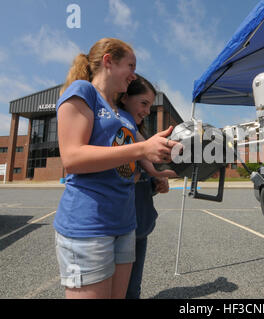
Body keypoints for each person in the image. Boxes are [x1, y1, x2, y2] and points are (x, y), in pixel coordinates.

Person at [54, 38, 177, 299]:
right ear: (108, 61)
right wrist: (142, 150)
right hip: (90, 225)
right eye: (130, 65)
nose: (134, 75)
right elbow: (72, 157)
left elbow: (138, 150)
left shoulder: (120, 112)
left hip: (124, 223)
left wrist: (155, 171)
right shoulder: (83, 91)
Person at [115, 74, 176, 299]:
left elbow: (145, 182)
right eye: (143, 103)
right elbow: (116, 177)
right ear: (124, 98)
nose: (147, 111)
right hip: (119, 228)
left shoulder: (143, 137)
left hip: (140, 224)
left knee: (133, 289)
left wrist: (158, 183)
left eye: (150, 105)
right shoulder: (117, 131)